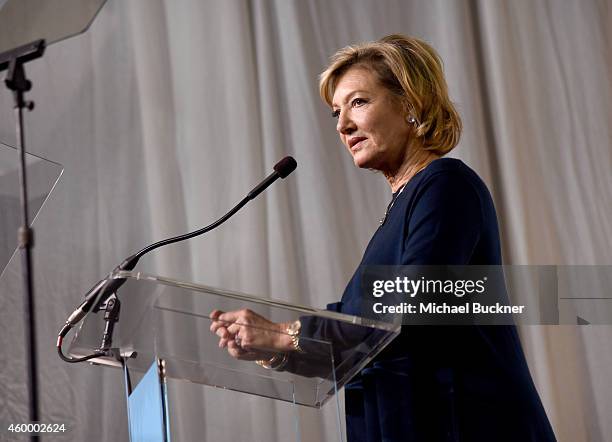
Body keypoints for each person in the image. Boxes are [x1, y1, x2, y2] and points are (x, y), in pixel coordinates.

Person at [210, 34, 556, 441]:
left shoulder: (446, 186)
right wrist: (276, 351)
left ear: (410, 103)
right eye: (336, 112)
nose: (342, 125)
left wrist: (287, 334)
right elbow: (367, 336)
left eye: (358, 102)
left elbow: (405, 308)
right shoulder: (403, 207)